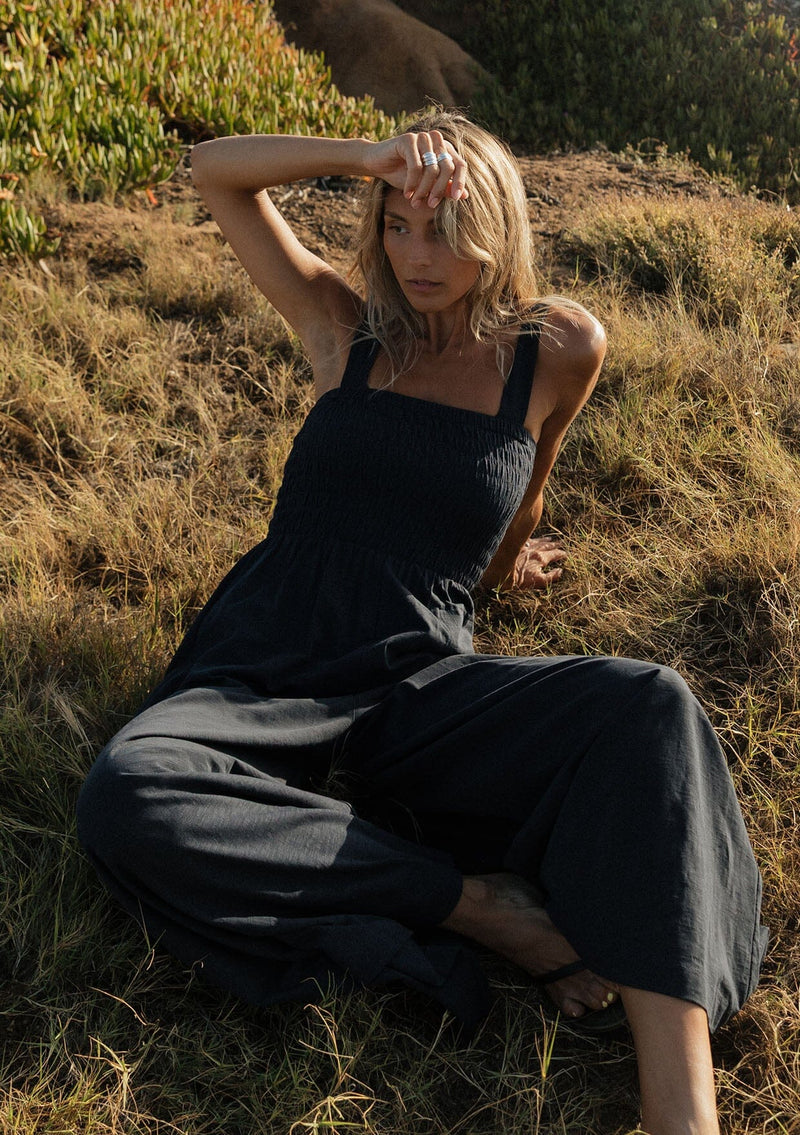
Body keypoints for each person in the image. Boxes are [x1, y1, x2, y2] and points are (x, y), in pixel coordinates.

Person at [77, 110, 767, 1135]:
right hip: (267, 660)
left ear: (496, 225)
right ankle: (475, 906)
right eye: (396, 225)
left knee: (649, 704)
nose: (415, 254)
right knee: (130, 793)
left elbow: (522, 486)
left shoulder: (555, 348)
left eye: (443, 227)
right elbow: (212, 173)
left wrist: (498, 569)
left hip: (417, 677)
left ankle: (681, 1110)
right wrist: (366, 157)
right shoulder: (343, 331)